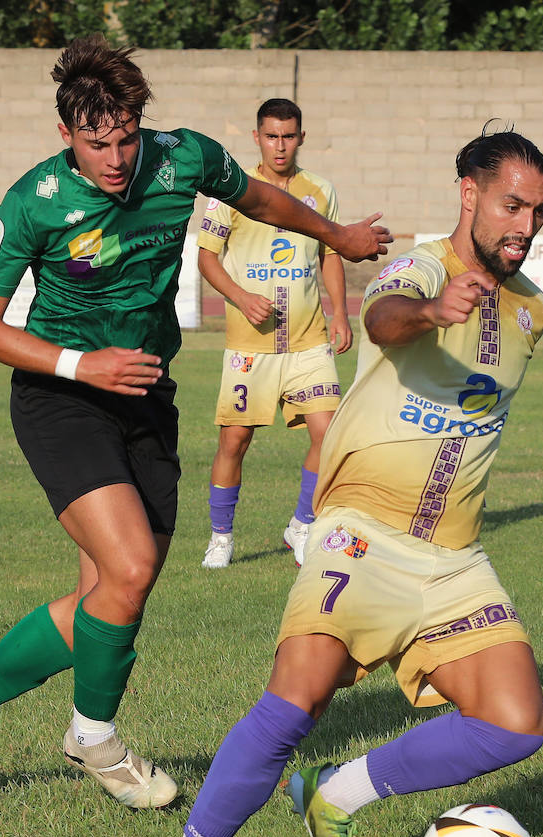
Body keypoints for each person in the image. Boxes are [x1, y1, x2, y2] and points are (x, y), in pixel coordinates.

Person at [0, 36, 391, 815]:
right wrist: (81, 366)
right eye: (98, 144)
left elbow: (260, 201)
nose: (117, 158)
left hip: (147, 395)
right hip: (61, 397)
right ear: (67, 137)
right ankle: (94, 736)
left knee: (111, 594)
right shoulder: (34, 203)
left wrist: (339, 238)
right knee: (126, 571)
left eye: (127, 137)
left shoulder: (182, 159)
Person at [125, 126, 543, 837]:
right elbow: (386, 315)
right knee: (297, 700)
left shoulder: (532, 310)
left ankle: (335, 794)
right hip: (362, 532)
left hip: (453, 556)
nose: (524, 226)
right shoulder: (422, 269)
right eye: (511, 206)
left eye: (538, 212)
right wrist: (431, 310)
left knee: (515, 720)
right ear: (470, 195)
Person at [197, 98, 352, 570]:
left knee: (331, 435)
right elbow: (206, 257)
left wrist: (341, 314)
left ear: (301, 137)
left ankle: (302, 527)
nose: (279, 145)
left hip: (308, 341)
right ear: (256, 137)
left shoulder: (320, 190)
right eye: (271, 136)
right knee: (234, 442)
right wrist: (242, 298)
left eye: (288, 136)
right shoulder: (232, 191)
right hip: (251, 345)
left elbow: (330, 254)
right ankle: (220, 538)